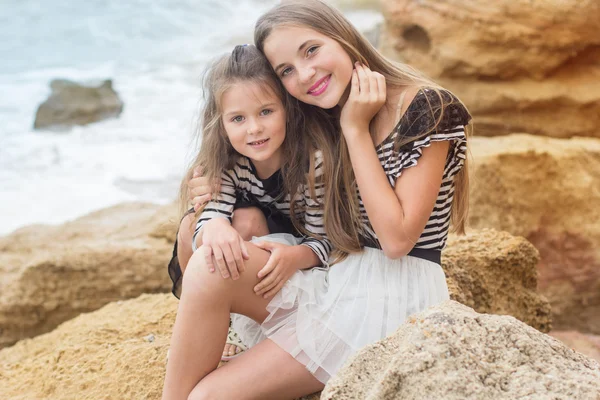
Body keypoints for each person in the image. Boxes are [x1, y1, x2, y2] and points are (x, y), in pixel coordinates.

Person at [164, 0, 472, 398]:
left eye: (311, 50)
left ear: (342, 36)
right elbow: (246, 147)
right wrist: (212, 202)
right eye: (286, 71)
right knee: (209, 264)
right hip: (334, 280)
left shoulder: (425, 107)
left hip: (389, 299)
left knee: (208, 396)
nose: (305, 74)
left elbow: (397, 241)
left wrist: (356, 130)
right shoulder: (321, 110)